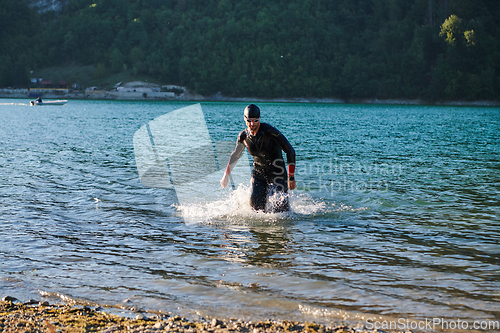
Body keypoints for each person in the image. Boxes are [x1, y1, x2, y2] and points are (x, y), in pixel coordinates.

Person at [220, 104, 296, 212]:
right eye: (249, 120)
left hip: (277, 173)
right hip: (259, 173)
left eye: (255, 120)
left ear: (259, 119)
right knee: (255, 210)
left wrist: (291, 177)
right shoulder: (243, 137)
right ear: (244, 119)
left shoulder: (270, 132)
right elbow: (235, 155)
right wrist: (226, 175)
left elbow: (290, 151)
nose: (252, 124)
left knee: (282, 212)